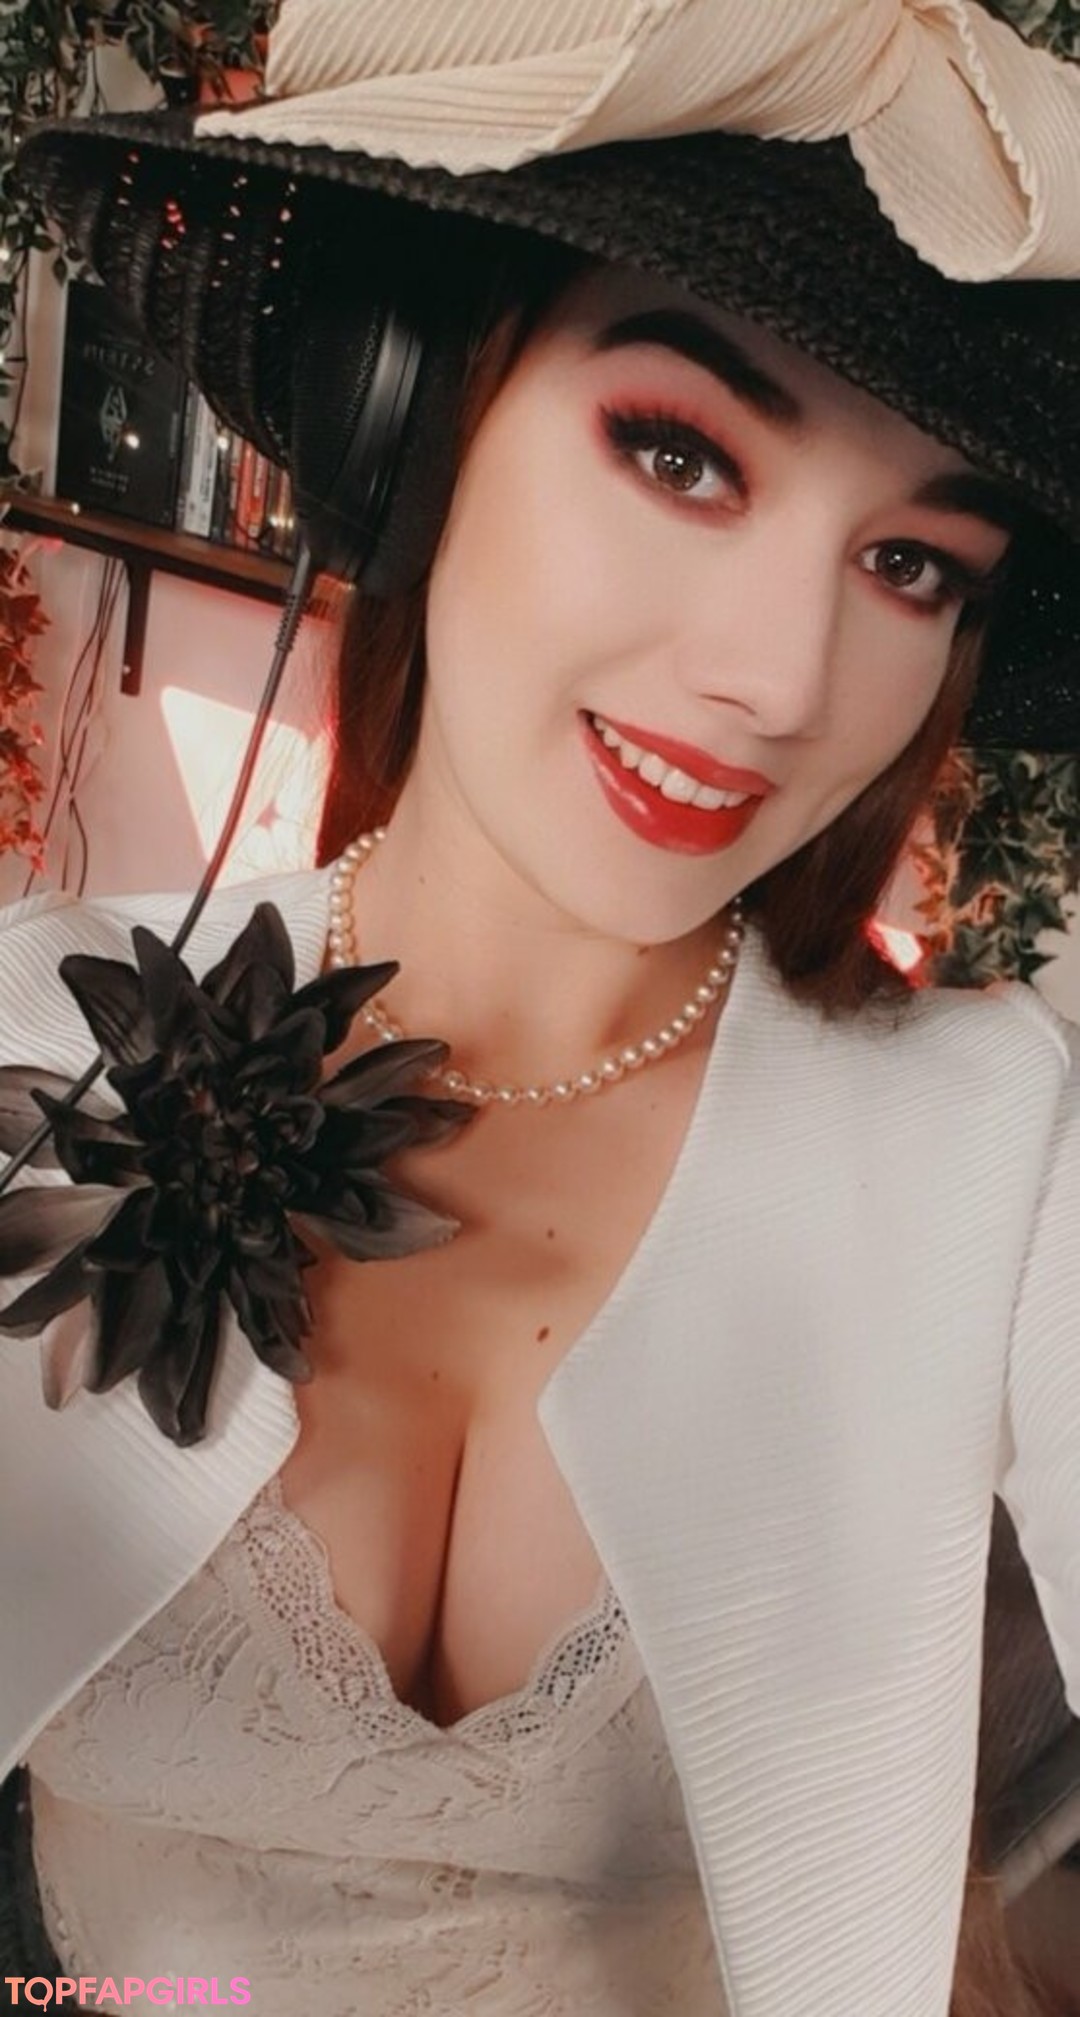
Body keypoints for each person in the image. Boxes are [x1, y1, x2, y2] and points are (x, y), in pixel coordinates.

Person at [1, 3, 1080, 2014]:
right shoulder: (38, 1040)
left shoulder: (998, 1155)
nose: (781, 678)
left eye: (913, 564)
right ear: (410, 407)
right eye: (680, 452)